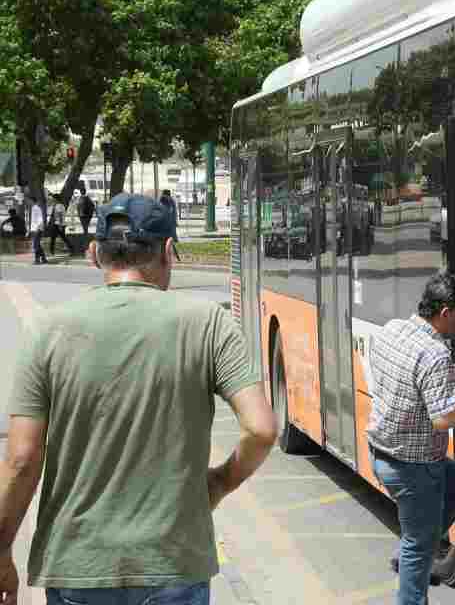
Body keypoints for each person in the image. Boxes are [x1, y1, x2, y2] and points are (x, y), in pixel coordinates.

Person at [0, 193, 277, 604]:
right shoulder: (208, 323)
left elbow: (22, 460)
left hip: (78, 567)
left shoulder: (48, 329)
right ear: (168, 251)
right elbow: (261, 429)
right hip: (174, 565)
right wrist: (218, 483)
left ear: (94, 254)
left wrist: (2, 550)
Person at [366, 270, 455, 605]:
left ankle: (417, 545)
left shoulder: (394, 331)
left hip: (382, 452)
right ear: (445, 312)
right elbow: (445, 418)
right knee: (419, 548)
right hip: (413, 467)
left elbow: (412, 376)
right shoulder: (434, 354)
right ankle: (415, 556)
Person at [28, 195, 48, 265]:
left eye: (29, 200)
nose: (28, 202)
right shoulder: (33, 208)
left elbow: (40, 219)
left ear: (31, 201)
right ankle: (43, 258)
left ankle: (37, 260)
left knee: (35, 245)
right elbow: (33, 220)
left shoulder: (36, 208)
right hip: (35, 228)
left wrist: (37, 228)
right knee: (37, 245)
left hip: (37, 229)